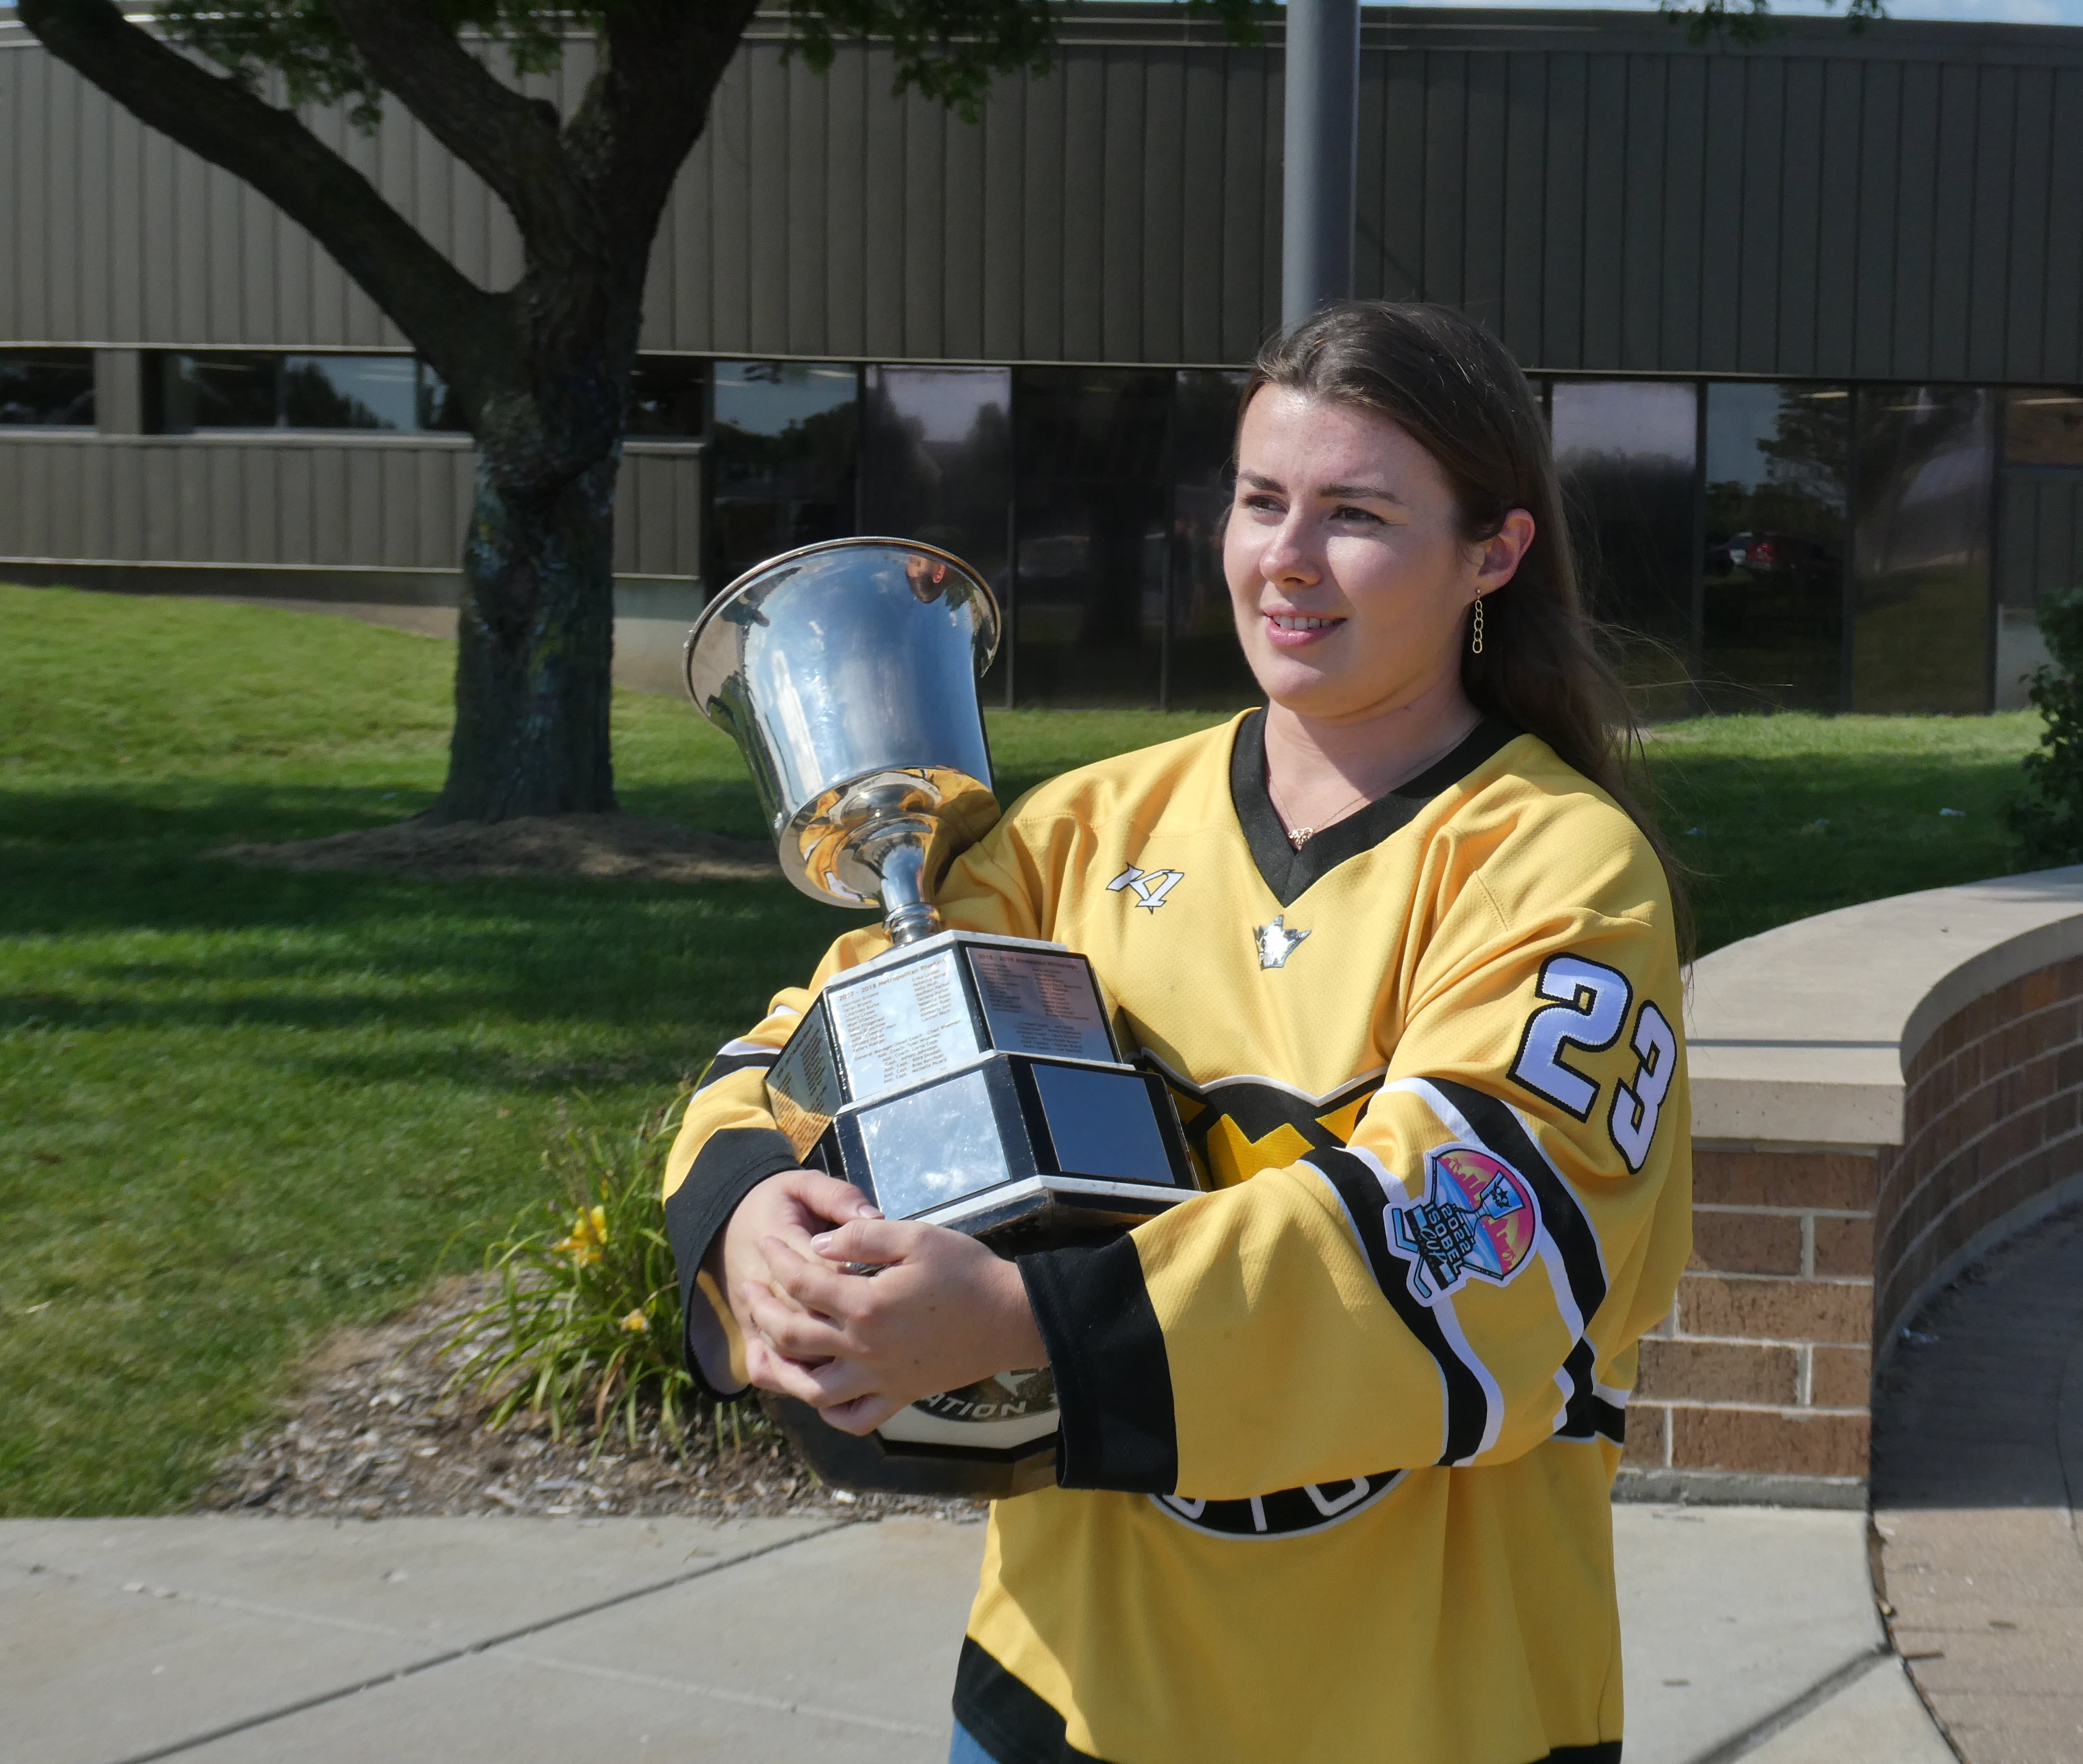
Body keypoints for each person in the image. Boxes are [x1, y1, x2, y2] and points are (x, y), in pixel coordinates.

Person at [661, 301, 1694, 1764]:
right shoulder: (1082, 832)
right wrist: (753, 1208)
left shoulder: (1556, 868)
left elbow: (1473, 1235)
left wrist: (1024, 1324)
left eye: (1357, 515)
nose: (1285, 558)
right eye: (1263, 500)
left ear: (1494, 552)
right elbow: (803, 1043)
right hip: (1062, 1697)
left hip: (1425, 1717)